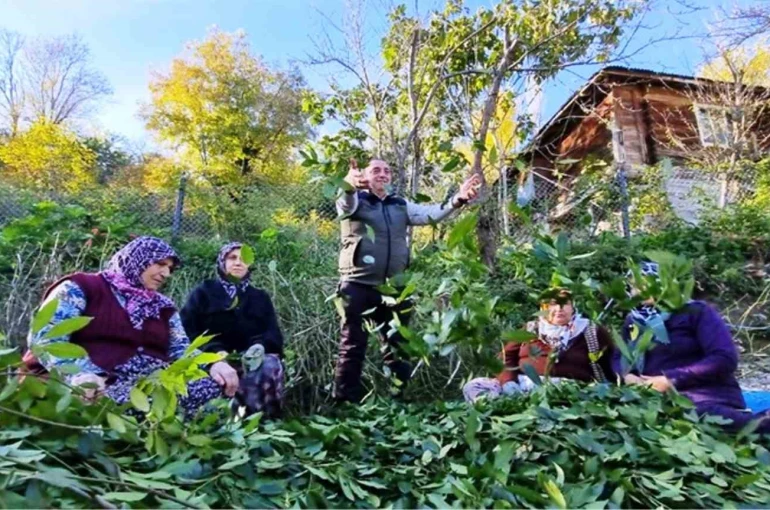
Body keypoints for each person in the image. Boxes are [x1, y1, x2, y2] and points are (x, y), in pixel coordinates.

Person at [24, 236, 239, 416]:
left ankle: (163, 418)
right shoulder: (80, 287)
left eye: (170, 268)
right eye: (160, 264)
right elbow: (46, 338)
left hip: (148, 385)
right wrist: (80, 375)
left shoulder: (163, 307)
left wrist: (212, 364)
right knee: (121, 405)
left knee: (214, 387)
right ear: (138, 259)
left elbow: (180, 350)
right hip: (94, 382)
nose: (166, 273)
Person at [333, 157, 481, 403]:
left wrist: (458, 199)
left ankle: (397, 401)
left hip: (395, 289)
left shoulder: (400, 204)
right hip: (357, 285)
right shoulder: (355, 200)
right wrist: (348, 185)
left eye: (387, 171)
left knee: (399, 347)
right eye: (376, 170)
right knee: (352, 346)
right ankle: (345, 404)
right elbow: (345, 202)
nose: (383, 174)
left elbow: (431, 214)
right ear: (365, 176)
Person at [613, 261, 770, 433]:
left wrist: (671, 380)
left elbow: (724, 358)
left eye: (646, 283)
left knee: (705, 418)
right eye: (634, 286)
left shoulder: (696, 312)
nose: (639, 290)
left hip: (705, 397)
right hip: (656, 402)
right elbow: (619, 357)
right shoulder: (634, 322)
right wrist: (628, 376)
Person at [181, 242, 284, 417]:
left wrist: (259, 347)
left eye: (243, 259)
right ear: (222, 262)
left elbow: (273, 333)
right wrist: (215, 354)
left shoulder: (260, 297)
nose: (238, 263)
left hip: (250, 358)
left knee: (269, 365)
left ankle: (261, 421)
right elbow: (186, 330)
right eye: (232, 258)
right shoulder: (203, 292)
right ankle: (219, 422)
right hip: (210, 357)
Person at [463, 289, 614, 402]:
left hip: (568, 391)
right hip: (522, 386)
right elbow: (505, 357)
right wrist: (508, 382)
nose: (559, 309)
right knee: (474, 386)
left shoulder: (591, 331)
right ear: (544, 308)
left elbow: (613, 360)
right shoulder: (531, 329)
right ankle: (494, 414)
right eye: (553, 304)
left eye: (565, 304)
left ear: (572, 307)